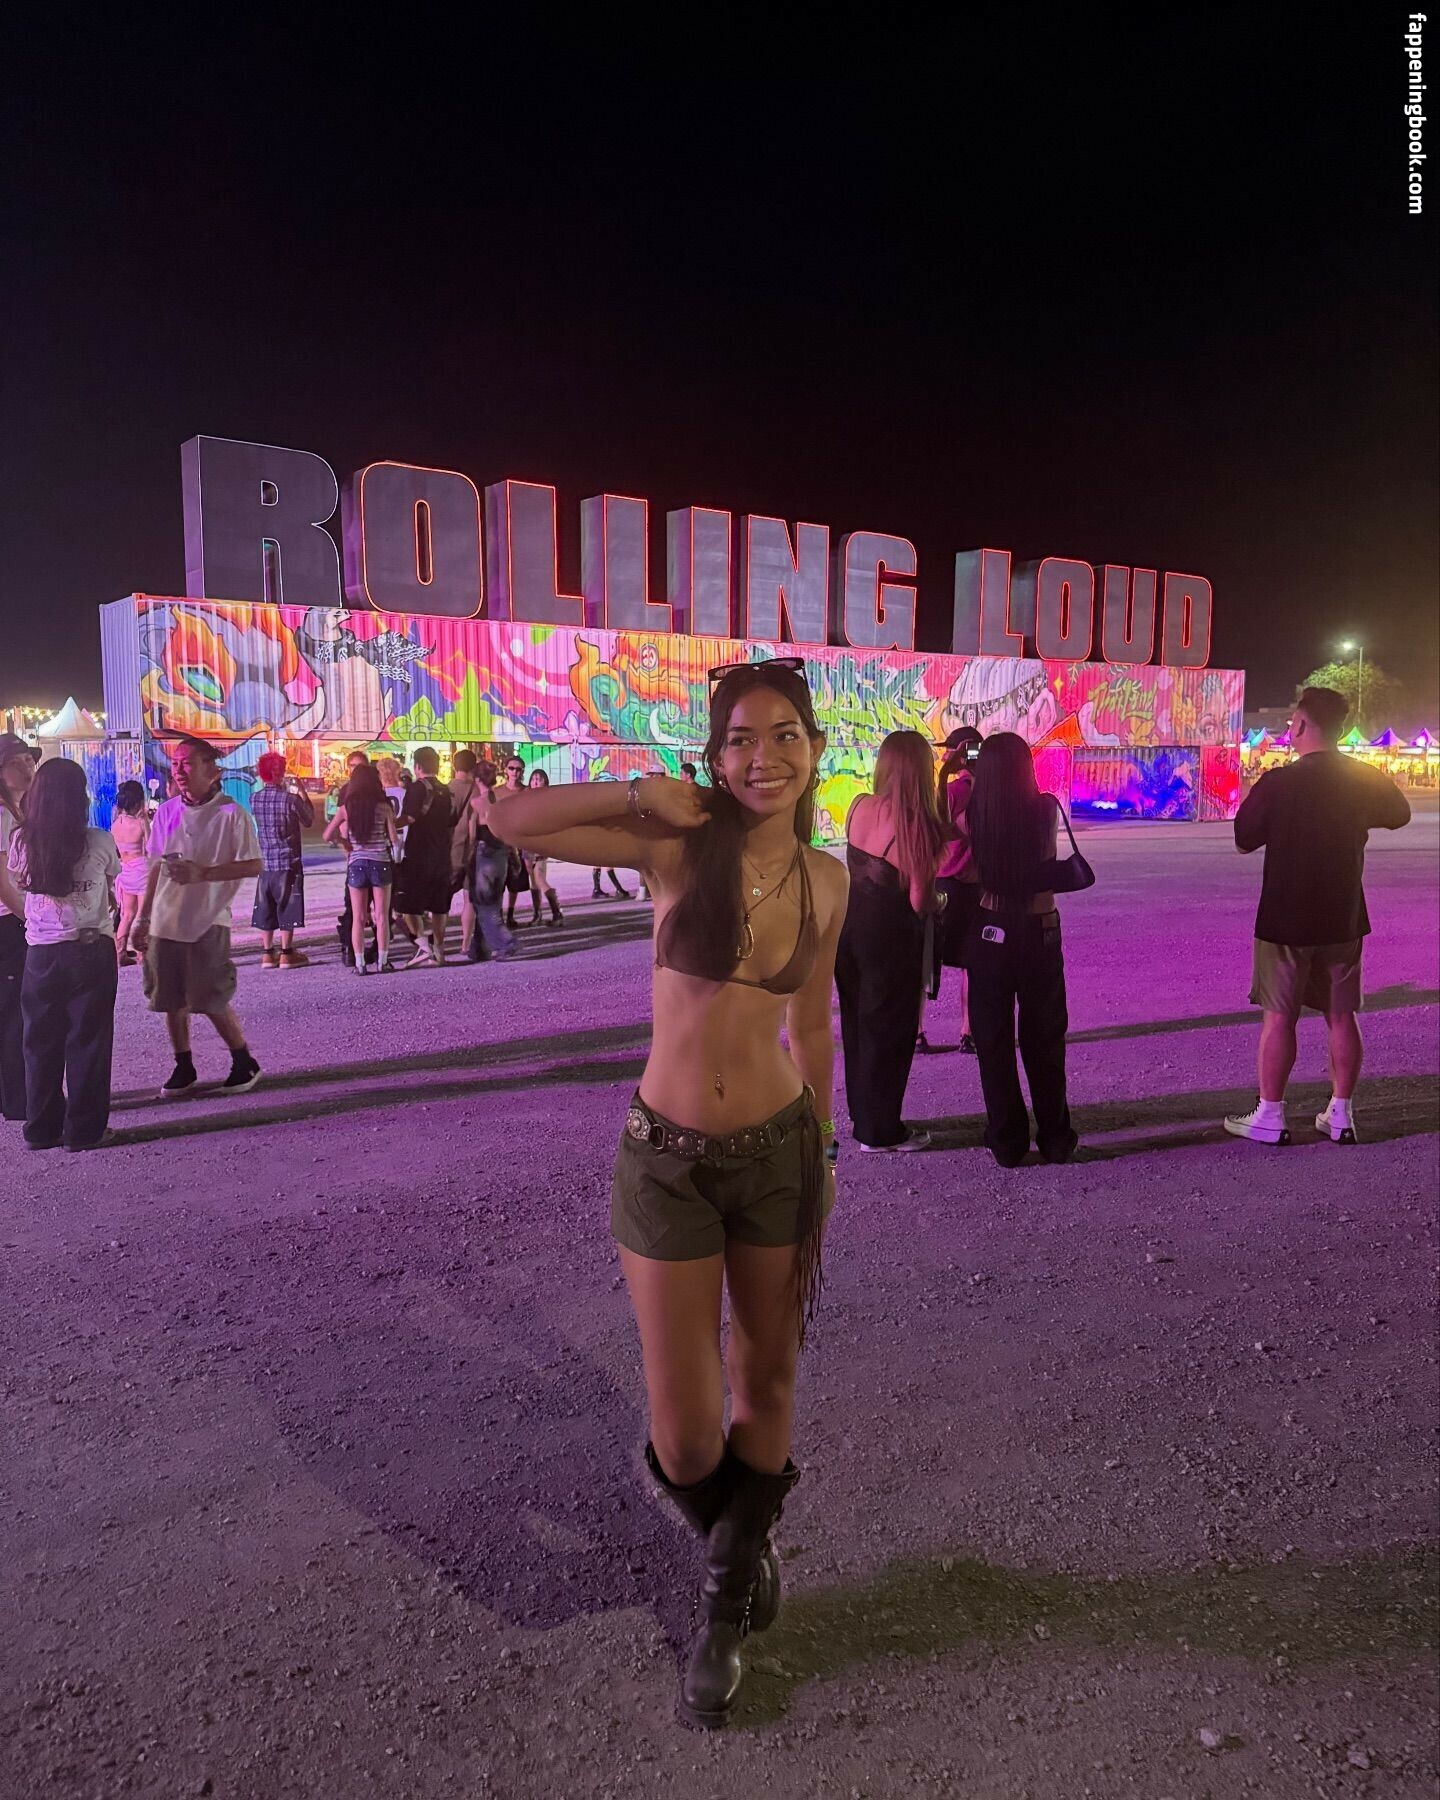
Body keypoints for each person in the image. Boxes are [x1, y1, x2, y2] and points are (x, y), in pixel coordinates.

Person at [491, 657, 848, 1730]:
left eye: (784, 735)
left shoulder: (828, 880)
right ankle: (743, 1534)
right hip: (667, 1161)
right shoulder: (676, 847)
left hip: (780, 1154)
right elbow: (510, 818)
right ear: (714, 754)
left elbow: (813, 1021)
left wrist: (827, 1150)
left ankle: (725, 1606)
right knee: (687, 1436)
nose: (763, 757)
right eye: (740, 738)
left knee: (767, 1379)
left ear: (815, 748)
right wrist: (636, 789)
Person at [1226, 685, 1411, 1145]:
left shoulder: (1278, 782)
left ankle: (1270, 1115)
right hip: (1343, 917)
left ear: (1303, 725)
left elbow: (1243, 840)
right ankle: (1341, 1114)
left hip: (1284, 920)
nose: (1290, 728)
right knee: (1342, 1015)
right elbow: (1399, 814)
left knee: (1279, 1018)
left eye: (1293, 721)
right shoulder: (1361, 778)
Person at [963, 731, 1077, 1167]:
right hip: (1039, 929)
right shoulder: (1045, 808)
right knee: (1045, 1037)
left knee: (992, 1039)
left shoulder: (974, 812)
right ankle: (1056, 1137)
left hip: (992, 929)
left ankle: (1008, 1140)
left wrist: (953, 770)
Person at [835, 730, 948, 1152]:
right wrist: (941, 901)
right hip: (892, 940)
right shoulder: (915, 826)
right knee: (891, 1033)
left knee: (858, 1027)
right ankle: (881, 1132)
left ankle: (864, 1115)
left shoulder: (859, 805)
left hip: (850, 933)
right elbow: (920, 900)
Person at [133, 737, 263, 1099]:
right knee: (170, 997)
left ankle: (243, 1060)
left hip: (208, 917)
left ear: (212, 769)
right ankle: (183, 1065)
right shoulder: (167, 812)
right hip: (165, 918)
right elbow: (155, 867)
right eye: (175, 763)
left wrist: (203, 874)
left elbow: (253, 864)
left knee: (210, 996)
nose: (178, 770)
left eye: (187, 763)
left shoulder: (231, 814)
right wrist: (142, 917)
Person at [7, 758, 120, 1151]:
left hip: (40, 953)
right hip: (90, 950)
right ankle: (85, 1130)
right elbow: (110, 885)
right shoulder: (99, 840)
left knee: (40, 1043)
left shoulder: (22, 841)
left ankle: (41, 1129)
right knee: (89, 1041)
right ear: (80, 797)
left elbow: (20, 883)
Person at [920, 726, 983, 1055]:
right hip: (978, 888)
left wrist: (945, 774)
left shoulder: (955, 790)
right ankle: (968, 1031)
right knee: (972, 963)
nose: (945, 753)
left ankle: (917, 1032)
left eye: (951, 749)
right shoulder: (991, 791)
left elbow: (934, 824)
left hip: (945, 884)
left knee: (926, 958)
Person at [324, 762, 401, 975]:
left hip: (356, 864)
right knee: (381, 916)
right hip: (381, 862)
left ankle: (360, 964)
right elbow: (394, 839)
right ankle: (383, 961)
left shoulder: (346, 808)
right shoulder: (384, 807)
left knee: (358, 917)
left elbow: (327, 835)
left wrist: (344, 842)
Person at [0, 734, 39, 1124]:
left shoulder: (19, 810)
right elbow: (4, 882)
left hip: (14, 921)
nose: (27, 767)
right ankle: (19, 1099)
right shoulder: (3, 815)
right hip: (9, 923)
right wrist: (32, 920)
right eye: (16, 762)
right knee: (16, 1013)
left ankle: (15, 1095)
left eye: (29, 760)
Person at [250, 752, 314, 969]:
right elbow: (308, 820)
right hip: (288, 861)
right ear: (281, 773)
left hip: (266, 861)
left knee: (266, 905)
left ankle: (267, 953)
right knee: (287, 905)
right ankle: (286, 952)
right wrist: (302, 791)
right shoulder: (290, 799)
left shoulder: (254, 799)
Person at [393, 747, 454, 967]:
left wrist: (386, 824)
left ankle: (422, 946)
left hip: (419, 854)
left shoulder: (417, 788)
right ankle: (439, 949)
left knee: (405, 904)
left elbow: (409, 818)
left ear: (417, 766)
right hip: (442, 854)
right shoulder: (445, 790)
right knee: (439, 905)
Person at [464, 761, 517, 962]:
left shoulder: (476, 804)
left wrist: (467, 857)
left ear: (477, 779)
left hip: (484, 853)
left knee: (484, 904)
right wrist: (514, 856)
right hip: (501, 853)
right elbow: (508, 831)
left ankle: (506, 943)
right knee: (492, 901)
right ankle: (478, 948)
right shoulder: (501, 802)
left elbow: (472, 835)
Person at [334, 751, 372, 967]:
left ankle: (379, 949)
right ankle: (350, 948)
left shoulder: (376, 790)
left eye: (360, 766)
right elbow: (341, 824)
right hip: (356, 856)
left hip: (375, 855)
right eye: (353, 766)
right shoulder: (346, 791)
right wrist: (345, 845)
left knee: (379, 908)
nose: (356, 770)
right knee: (353, 907)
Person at [110, 780, 152, 965]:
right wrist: (146, 821)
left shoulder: (116, 824)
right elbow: (150, 847)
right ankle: (143, 954)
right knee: (144, 915)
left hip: (125, 871)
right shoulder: (140, 823)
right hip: (142, 871)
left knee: (127, 914)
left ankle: (120, 953)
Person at [448, 750, 482, 955]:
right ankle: (465, 943)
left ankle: (438, 943)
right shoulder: (477, 791)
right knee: (469, 900)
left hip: (448, 852)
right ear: (473, 767)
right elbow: (473, 826)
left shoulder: (445, 790)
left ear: (454, 766)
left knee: (442, 900)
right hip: (470, 852)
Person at [524, 769, 563, 926]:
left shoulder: (547, 800)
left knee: (539, 878)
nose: (535, 781)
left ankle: (557, 913)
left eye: (539, 779)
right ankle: (537, 914)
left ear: (545, 783)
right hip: (527, 843)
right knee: (533, 881)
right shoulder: (526, 798)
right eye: (533, 779)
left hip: (539, 843)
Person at [499, 756, 534, 927]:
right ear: (505, 770)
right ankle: (498, 916)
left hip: (519, 844)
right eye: (512, 768)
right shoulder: (497, 792)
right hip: (500, 844)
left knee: (515, 884)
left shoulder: (527, 792)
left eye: (518, 769)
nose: (515, 772)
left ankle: (510, 914)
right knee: (499, 883)